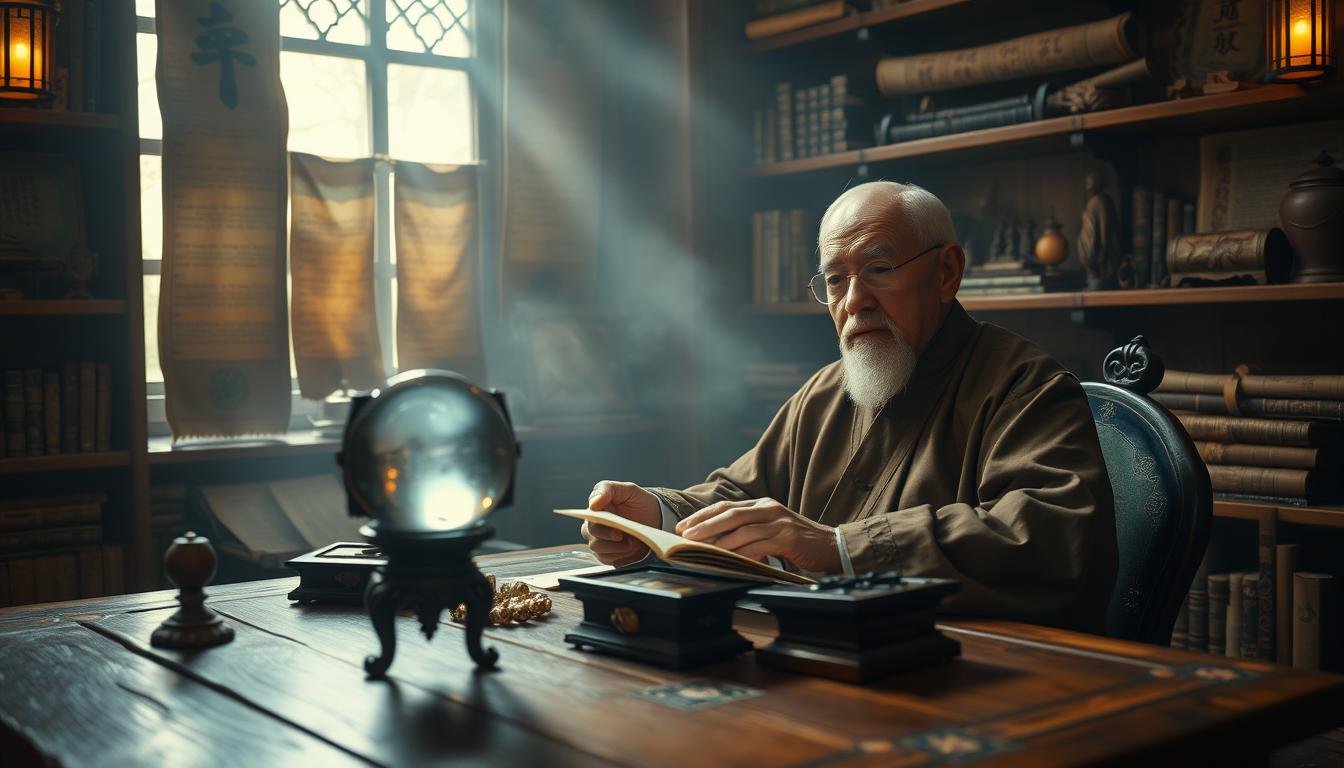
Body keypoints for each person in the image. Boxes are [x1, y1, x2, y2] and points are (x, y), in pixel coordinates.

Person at [580, 181, 1118, 633]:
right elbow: (742, 494)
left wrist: (839, 547)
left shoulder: (1025, 384)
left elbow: (1048, 534)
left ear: (947, 272)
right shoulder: (826, 390)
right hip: (827, 656)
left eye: (879, 269)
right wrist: (657, 516)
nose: (854, 300)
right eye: (835, 280)